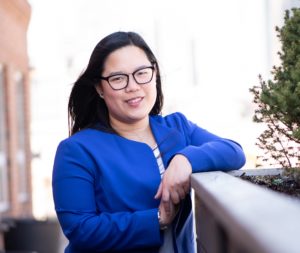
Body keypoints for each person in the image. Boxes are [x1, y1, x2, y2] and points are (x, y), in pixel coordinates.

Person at [52, 31, 246, 253]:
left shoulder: (177, 127)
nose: (133, 86)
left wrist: (185, 159)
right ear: (99, 88)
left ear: (154, 74)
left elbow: (234, 151)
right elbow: (80, 229)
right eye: (118, 78)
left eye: (141, 73)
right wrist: (156, 219)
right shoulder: (76, 150)